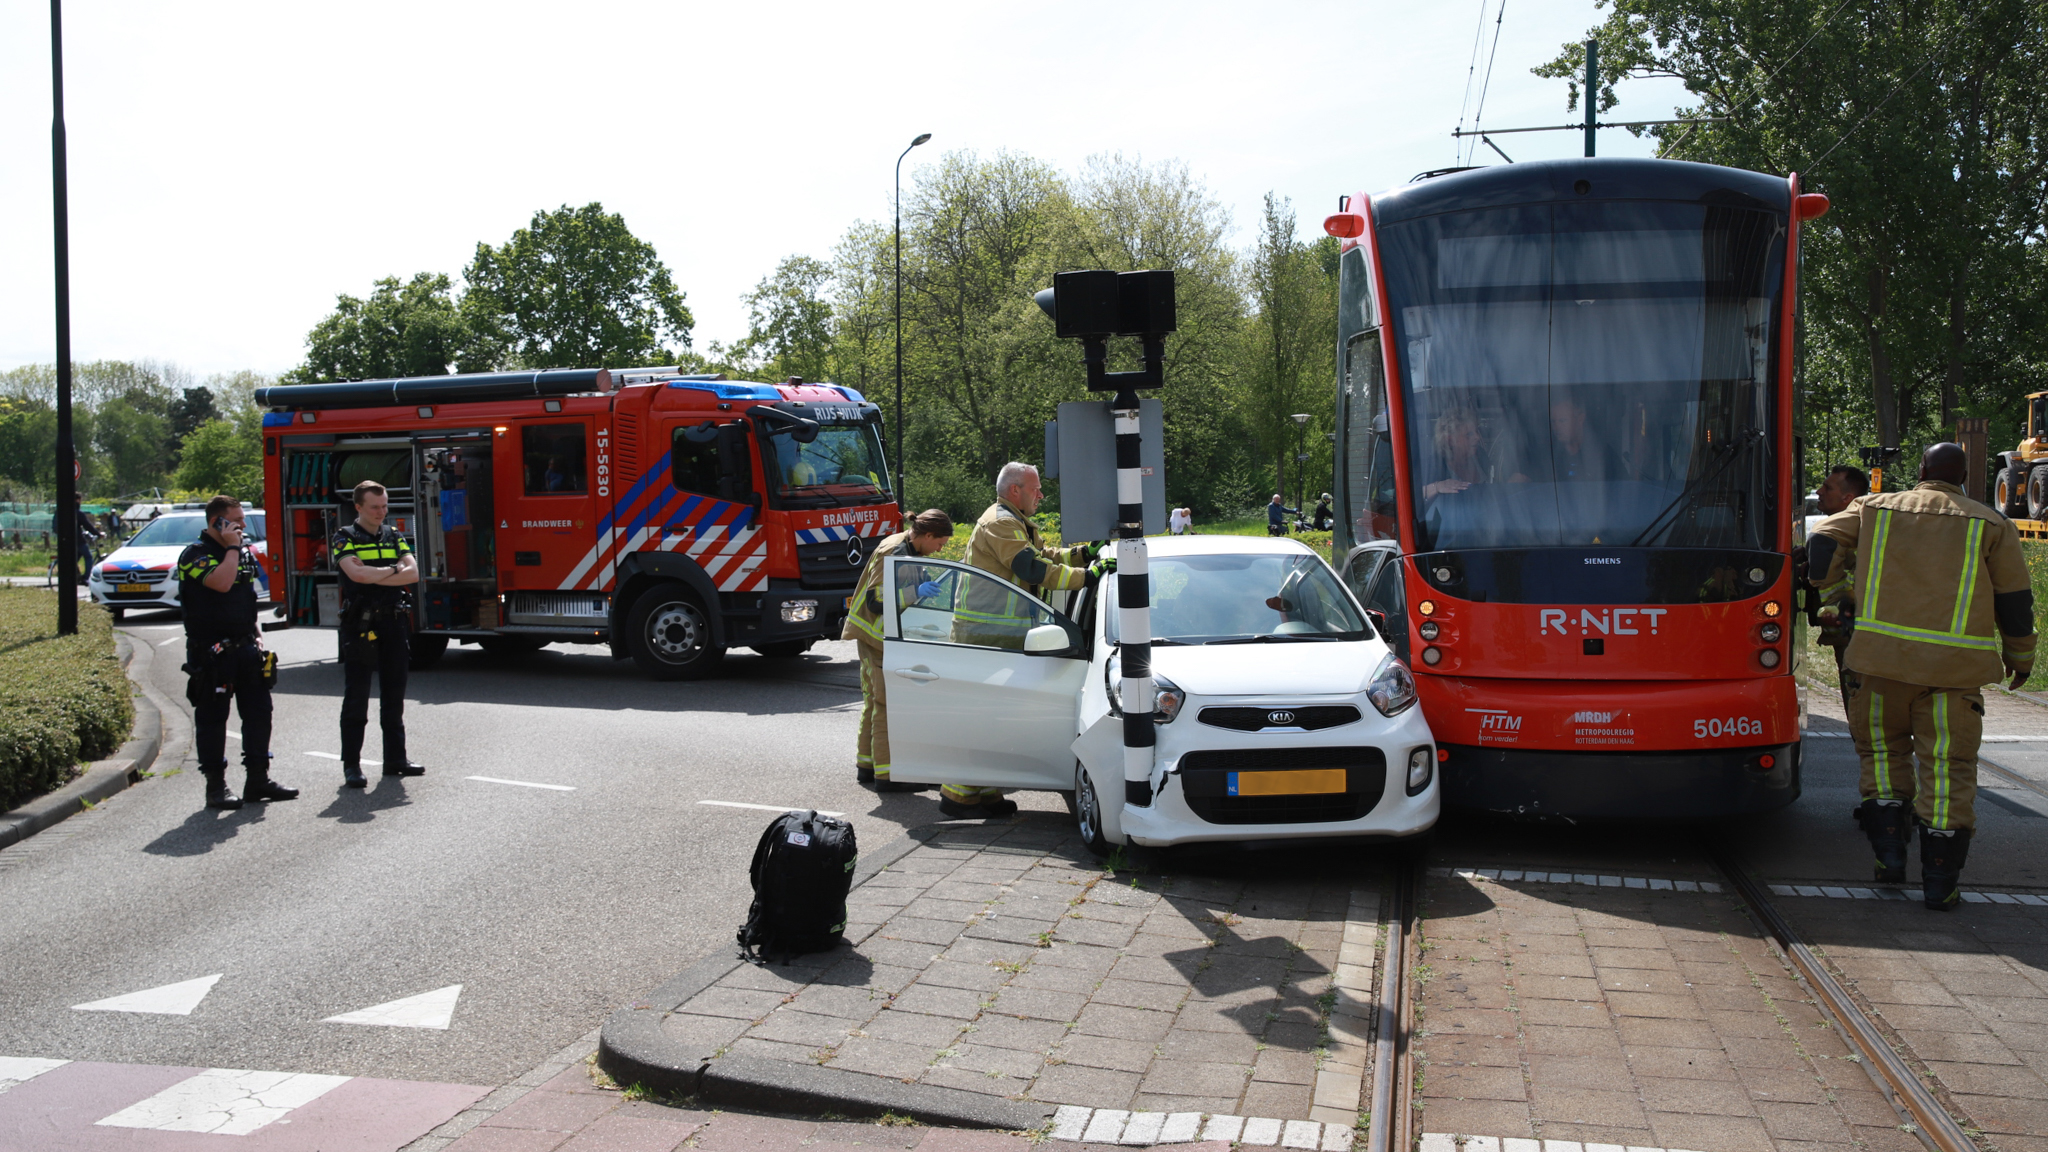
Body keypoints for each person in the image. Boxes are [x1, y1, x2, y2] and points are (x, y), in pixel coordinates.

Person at [1811, 443, 2034, 910]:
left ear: (1920, 470)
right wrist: (2021, 657)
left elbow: (1822, 541)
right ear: (1966, 477)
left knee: (1882, 756)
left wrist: (1837, 594)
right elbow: (2014, 599)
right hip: (1952, 675)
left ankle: (1889, 860)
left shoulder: (1875, 508)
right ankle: (1940, 883)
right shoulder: (1992, 524)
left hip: (1876, 665)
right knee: (1949, 769)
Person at [951, 462, 1102, 818]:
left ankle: (982, 790)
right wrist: (1086, 578)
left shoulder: (1014, 521)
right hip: (986, 634)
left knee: (994, 713)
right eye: (1036, 489)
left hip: (1000, 633)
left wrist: (1085, 555)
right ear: (1015, 490)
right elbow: (1033, 570)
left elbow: (1044, 557)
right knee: (985, 715)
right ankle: (957, 794)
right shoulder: (1000, 522)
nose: (1041, 495)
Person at [176, 495, 291, 810]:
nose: (242, 525)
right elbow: (222, 583)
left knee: (259, 714)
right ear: (217, 522)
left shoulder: (241, 552)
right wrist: (230, 547)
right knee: (213, 719)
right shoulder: (194, 555)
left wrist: (256, 635)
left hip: (245, 648)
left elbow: (245, 596)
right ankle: (216, 787)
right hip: (211, 654)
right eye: (236, 520)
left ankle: (258, 780)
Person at [844, 508, 953, 793]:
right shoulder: (893, 551)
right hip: (875, 635)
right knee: (885, 704)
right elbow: (876, 600)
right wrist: (916, 592)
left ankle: (867, 766)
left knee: (873, 701)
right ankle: (888, 776)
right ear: (928, 535)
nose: (939, 549)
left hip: (881, 636)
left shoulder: (909, 550)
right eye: (939, 543)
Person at [333, 480, 425, 788]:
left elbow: (413, 574)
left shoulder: (394, 534)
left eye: (384, 505)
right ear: (358, 507)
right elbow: (356, 575)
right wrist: (393, 570)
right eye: (375, 507)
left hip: (394, 622)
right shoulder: (344, 536)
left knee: (394, 694)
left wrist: (379, 573)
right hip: (361, 624)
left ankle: (396, 759)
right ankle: (352, 765)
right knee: (357, 696)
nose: (381, 512)